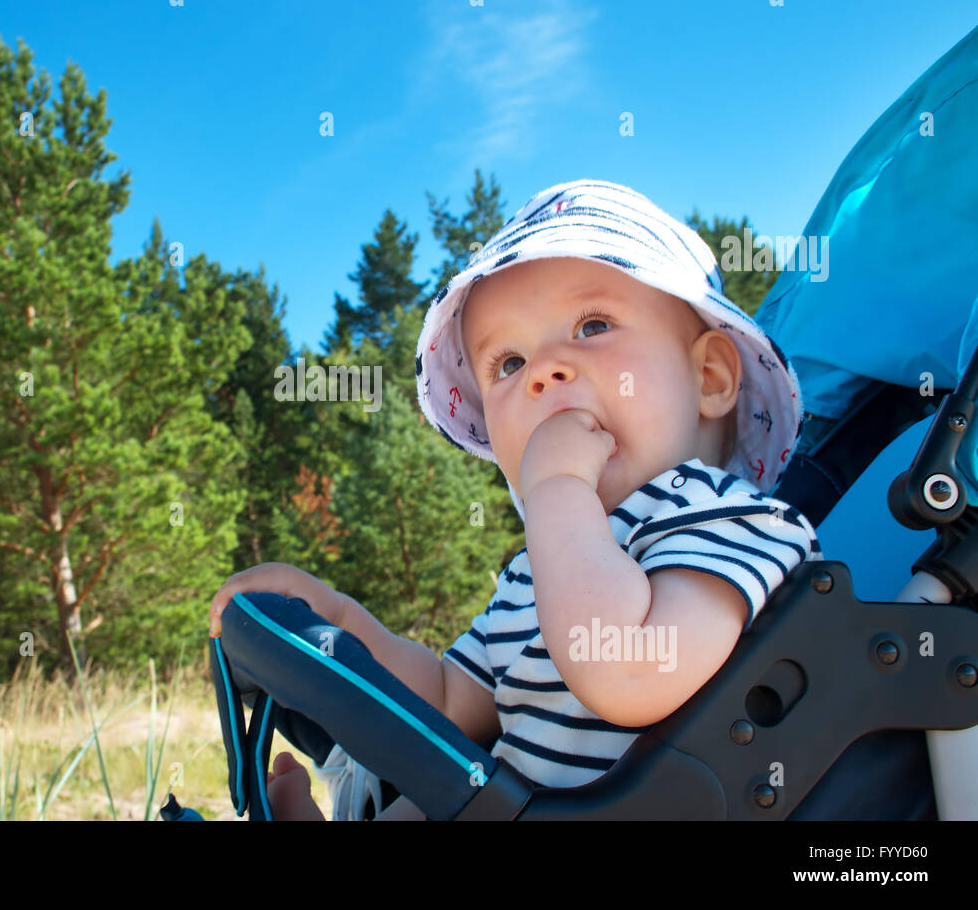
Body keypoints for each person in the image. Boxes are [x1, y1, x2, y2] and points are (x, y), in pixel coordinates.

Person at [209, 179, 822, 820]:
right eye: (506, 364)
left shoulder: (735, 521)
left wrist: (558, 491)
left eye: (592, 325)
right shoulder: (537, 569)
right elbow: (449, 703)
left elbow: (630, 672)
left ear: (709, 376)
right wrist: (338, 621)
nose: (543, 371)